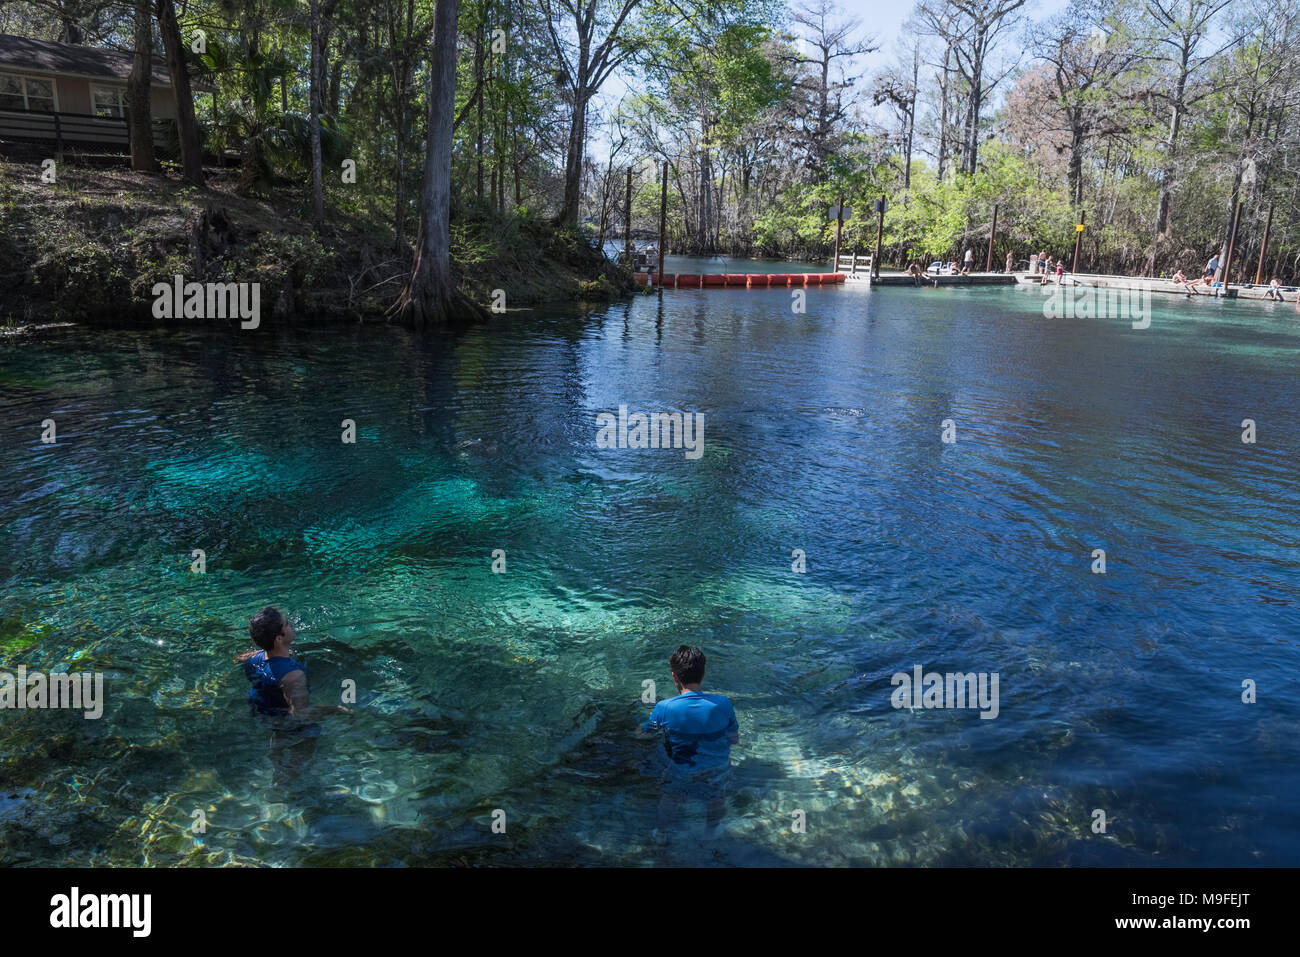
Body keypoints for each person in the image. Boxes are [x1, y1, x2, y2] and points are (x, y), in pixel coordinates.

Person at [640, 645, 739, 843]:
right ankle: (712, 833)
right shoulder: (724, 704)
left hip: (682, 769)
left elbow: (644, 732)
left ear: (674, 677)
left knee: (670, 797)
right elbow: (733, 738)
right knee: (716, 797)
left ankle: (661, 834)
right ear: (703, 674)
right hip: (716, 768)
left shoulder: (664, 707)